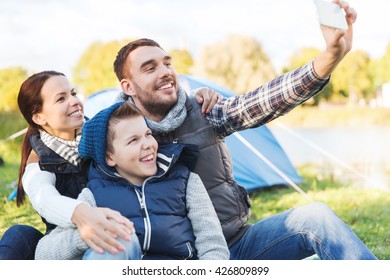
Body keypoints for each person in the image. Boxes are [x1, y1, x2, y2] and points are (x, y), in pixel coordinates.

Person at [111, 2, 376, 259]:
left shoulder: (204, 110)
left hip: (237, 245)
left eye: (167, 63)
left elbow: (264, 101)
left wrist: (329, 57)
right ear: (128, 87)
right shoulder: (112, 135)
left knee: (316, 217)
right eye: (150, 68)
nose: (165, 72)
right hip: (175, 262)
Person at [0, 71, 221, 259]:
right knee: (19, 235)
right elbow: (46, 200)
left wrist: (193, 97)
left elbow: (135, 113)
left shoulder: (99, 134)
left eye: (73, 93)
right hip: (70, 243)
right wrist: (82, 216)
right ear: (39, 117)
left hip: (121, 236)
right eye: (61, 99)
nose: (74, 101)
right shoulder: (38, 163)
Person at [35, 101, 229, 260]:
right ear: (109, 157)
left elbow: (212, 244)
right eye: (133, 140)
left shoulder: (185, 180)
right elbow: (43, 253)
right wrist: (86, 235)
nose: (148, 145)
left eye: (148, 134)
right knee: (117, 241)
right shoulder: (93, 195)